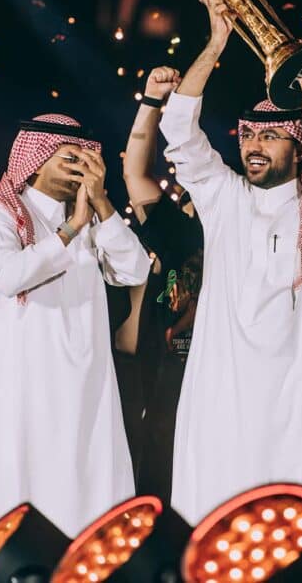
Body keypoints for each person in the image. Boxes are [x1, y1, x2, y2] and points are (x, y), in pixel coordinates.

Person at [158, 0, 302, 524]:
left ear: (297, 148)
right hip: (220, 411)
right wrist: (216, 42)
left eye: (271, 136)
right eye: (248, 135)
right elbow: (178, 132)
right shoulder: (226, 201)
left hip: (294, 420)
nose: (254, 145)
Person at [0, 113, 150, 536]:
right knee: (27, 510)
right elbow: (7, 275)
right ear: (36, 158)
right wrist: (72, 228)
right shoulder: (0, 211)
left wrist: (100, 206)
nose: (81, 167)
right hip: (24, 393)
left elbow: (134, 270)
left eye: (87, 159)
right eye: (69, 157)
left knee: (91, 505)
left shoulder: (93, 217)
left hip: (87, 392)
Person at [121, 65, 205, 502]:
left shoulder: (236, 228)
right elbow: (135, 172)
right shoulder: (176, 228)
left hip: (215, 370)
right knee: (158, 463)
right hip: (165, 365)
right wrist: (152, 102)